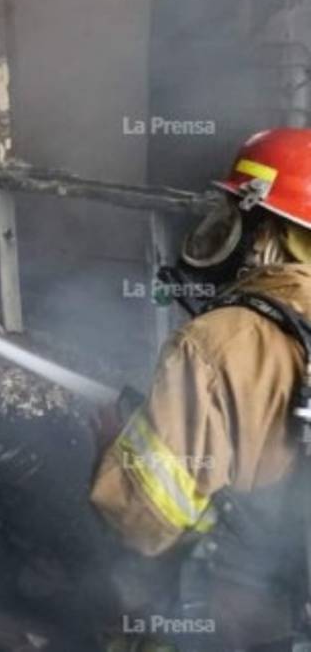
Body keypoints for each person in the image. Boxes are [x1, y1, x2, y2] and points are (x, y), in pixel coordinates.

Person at [91, 128, 311, 650]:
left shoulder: (217, 342)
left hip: (244, 619)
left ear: (266, 233)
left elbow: (143, 524)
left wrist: (116, 451)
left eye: (235, 215)